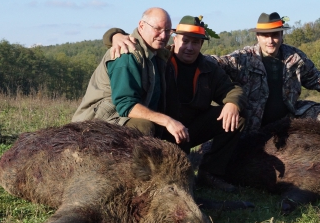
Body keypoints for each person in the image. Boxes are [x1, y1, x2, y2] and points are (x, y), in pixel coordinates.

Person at [107, 12, 320, 136]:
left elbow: (319, 81)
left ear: (281, 35)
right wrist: (114, 34)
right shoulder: (242, 57)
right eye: (265, 35)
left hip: (288, 114)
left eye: (275, 35)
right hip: (253, 118)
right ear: (258, 36)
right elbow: (207, 60)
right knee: (240, 131)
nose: (271, 41)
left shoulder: (295, 58)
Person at [103, 15, 247, 191]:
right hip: (161, 129)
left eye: (195, 42)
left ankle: (210, 173)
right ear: (174, 38)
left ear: (201, 45)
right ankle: (133, 181)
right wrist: (114, 34)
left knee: (237, 118)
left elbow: (232, 90)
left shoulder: (208, 68)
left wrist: (232, 103)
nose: (189, 47)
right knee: (141, 127)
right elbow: (140, 40)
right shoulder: (161, 58)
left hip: (189, 129)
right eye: (185, 41)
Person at [72, 7, 188, 144]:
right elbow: (126, 105)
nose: (163, 36)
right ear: (141, 25)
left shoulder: (159, 56)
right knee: (143, 126)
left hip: (122, 119)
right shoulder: (126, 54)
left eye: (167, 31)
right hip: (97, 123)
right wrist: (167, 121)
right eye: (157, 29)